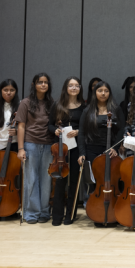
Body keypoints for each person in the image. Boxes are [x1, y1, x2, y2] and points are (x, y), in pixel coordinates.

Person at [77, 80, 124, 226]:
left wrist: (115, 148)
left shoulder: (115, 109)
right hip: (92, 149)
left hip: (110, 150)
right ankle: (98, 213)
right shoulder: (88, 110)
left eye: (106, 90)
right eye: (100, 90)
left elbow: (122, 130)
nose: (103, 93)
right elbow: (82, 133)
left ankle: (114, 212)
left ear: (109, 93)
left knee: (113, 181)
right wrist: (82, 152)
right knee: (97, 183)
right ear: (95, 93)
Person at [16, 73, 55, 224]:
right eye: (40, 82)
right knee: (31, 179)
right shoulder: (25, 103)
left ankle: (44, 211)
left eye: (46, 82)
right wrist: (20, 148)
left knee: (46, 180)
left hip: (48, 145)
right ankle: (31, 213)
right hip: (30, 144)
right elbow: (21, 126)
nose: (43, 85)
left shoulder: (52, 103)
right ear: (34, 84)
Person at [49, 76, 85, 226]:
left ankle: (70, 215)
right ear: (66, 87)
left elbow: (87, 126)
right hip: (61, 148)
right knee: (59, 180)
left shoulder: (84, 106)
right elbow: (49, 125)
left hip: (76, 147)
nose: (74, 88)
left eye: (77, 85)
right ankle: (57, 215)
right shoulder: (57, 105)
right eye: (71, 85)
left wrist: (78, 131)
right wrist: (56, 131)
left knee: (74, 182)